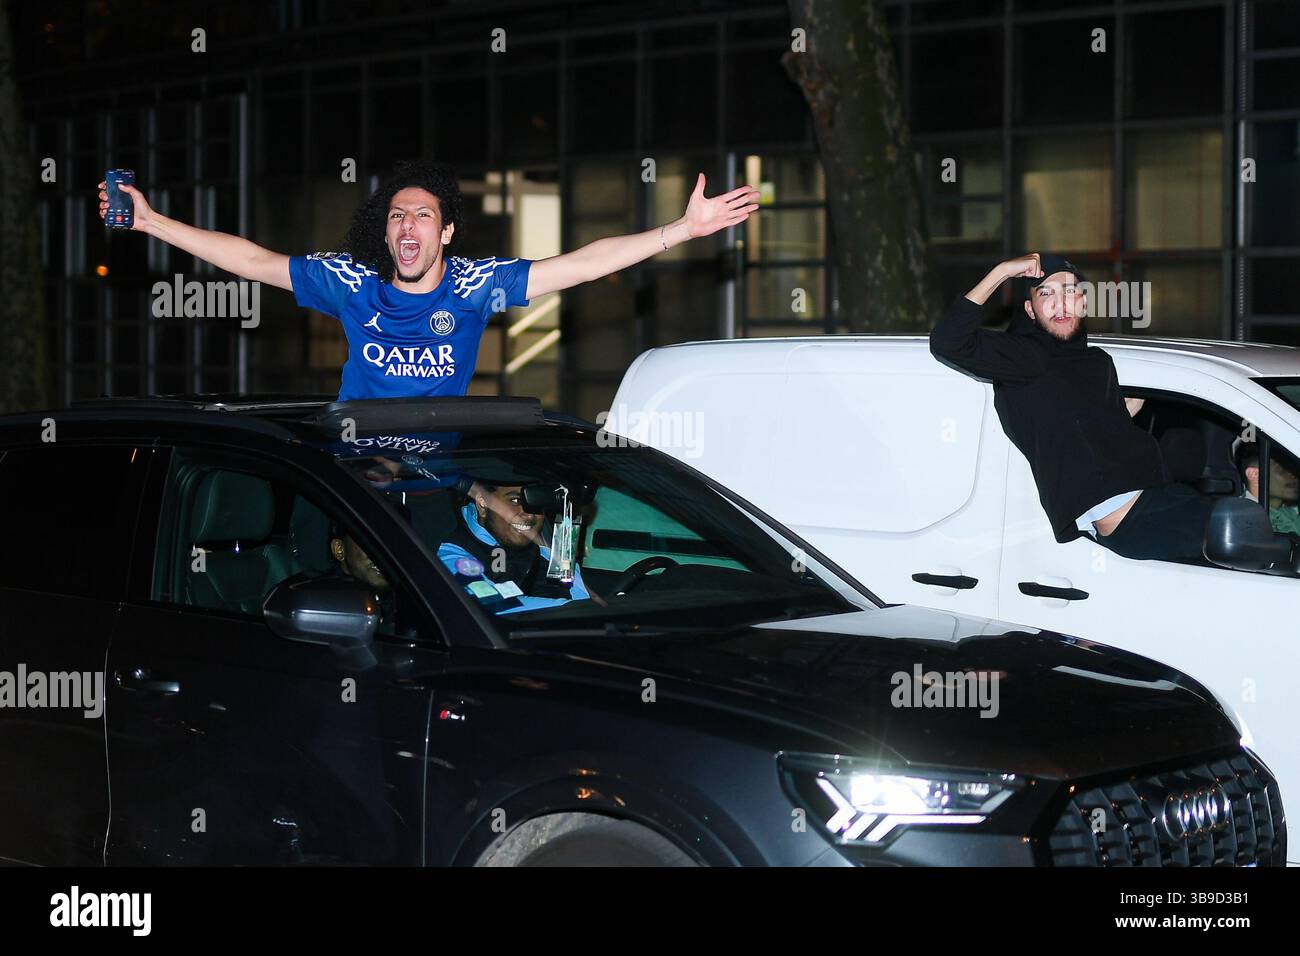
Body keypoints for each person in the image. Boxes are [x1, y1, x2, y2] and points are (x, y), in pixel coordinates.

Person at [97, 160, 759, 400]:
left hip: (442, 474)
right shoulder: (352, 284)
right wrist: (152, 223)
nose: (407, 227)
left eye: (423, 216)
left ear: (445, 234)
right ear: (386, 235)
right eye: (396, 217)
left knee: (524, 535)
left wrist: (681, 230)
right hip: (358, 477)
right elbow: (253, 261)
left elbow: (583, 264)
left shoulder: (474, 285)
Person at [930, 252, 1224, 563]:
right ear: (1030, 310)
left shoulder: (1098, 362)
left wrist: (1123, 411)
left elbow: (1084, 429)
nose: (1061, 303)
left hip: (1161, 495)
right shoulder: (1025, 357)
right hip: (1133, 517)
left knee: (1257, 524)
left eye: (1070, 291)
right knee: (1254, 536)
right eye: (1047, 293)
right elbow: (948, 341)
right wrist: (1002, 271)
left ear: (1083, 302)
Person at [437, 480, 591, 614]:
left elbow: (580, 598)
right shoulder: (451, 553)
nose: (529, 515)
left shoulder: (552, 549)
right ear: (483, 504)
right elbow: (492, 604)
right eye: (515, 501)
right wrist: (573, 610)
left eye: (536, 504)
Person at [1236, 442, 1300, 536]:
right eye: (1283, 469)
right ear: (1255, 475)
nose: (1294, 475)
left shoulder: (1289, 512)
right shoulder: (1245, 520)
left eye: (1294, 469)